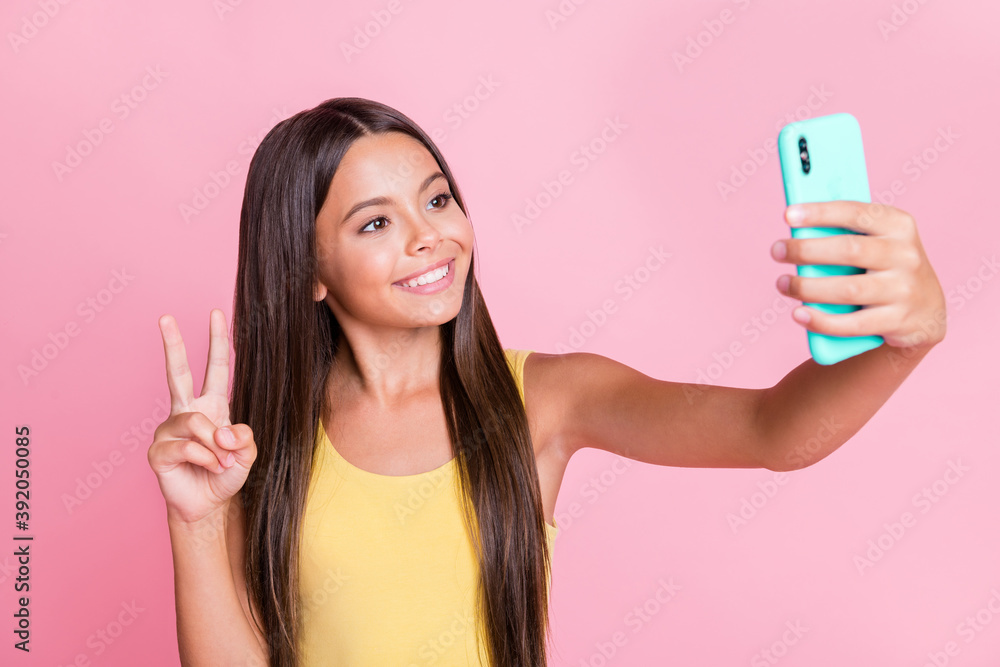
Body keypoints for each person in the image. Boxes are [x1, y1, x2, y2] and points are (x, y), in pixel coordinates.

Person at [147, 97, 946, 667]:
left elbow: (773, 431)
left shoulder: (547, 400)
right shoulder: (259, 445)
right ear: (310, 268)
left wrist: (902, 345)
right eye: (377, 222)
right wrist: (197, 520)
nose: (431, 237)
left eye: (437, 198)